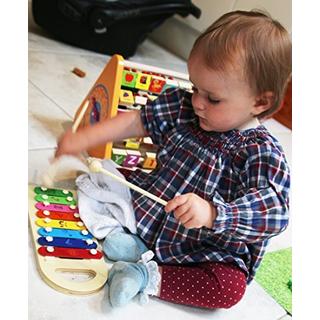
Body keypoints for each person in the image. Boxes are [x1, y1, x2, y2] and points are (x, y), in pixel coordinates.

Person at [55, 10, 292, 309]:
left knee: (229, 290)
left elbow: (275, 212)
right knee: (99, 179)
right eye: (195, 88)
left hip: (202, 249)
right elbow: (136, 121)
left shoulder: (261, 152)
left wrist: (213, 214)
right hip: (150, 209)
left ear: (260, 102)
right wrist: (87, 137)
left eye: (213, 98)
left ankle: (144, 274)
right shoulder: (184, 107)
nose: (197, 102)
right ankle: (130, 240)